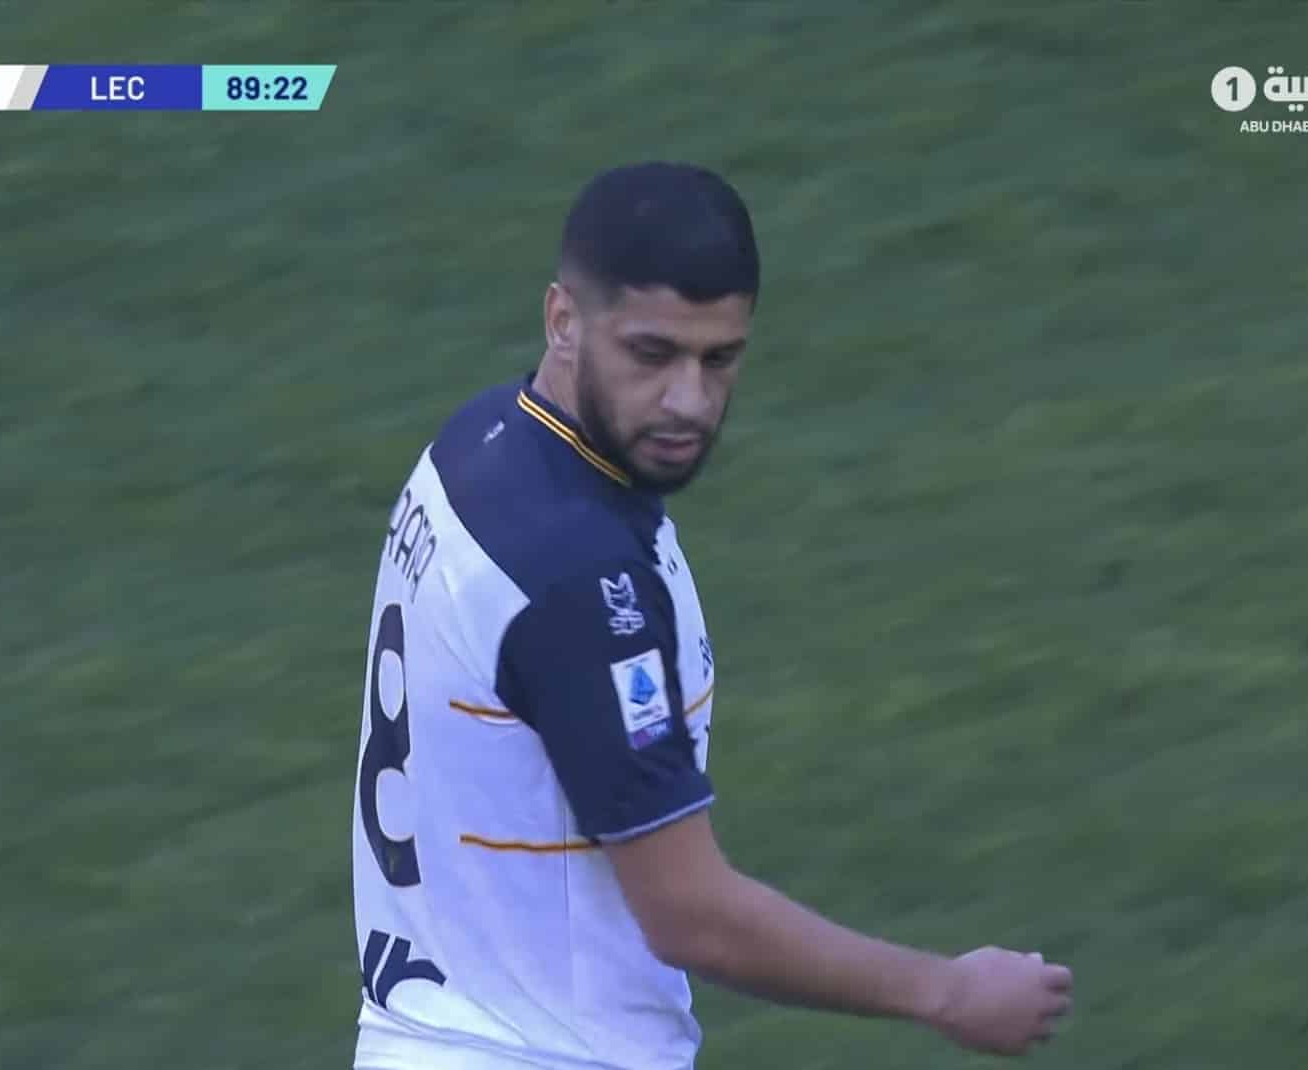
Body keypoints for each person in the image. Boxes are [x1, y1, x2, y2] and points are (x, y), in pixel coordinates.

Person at [350, 161, 1073, 1069]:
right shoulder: (577, 577)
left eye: (718, 359)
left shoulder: (480, 441)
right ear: (562, 321)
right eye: (651, 355)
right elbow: (689, 914)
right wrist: (948, 992)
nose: (688, 402)